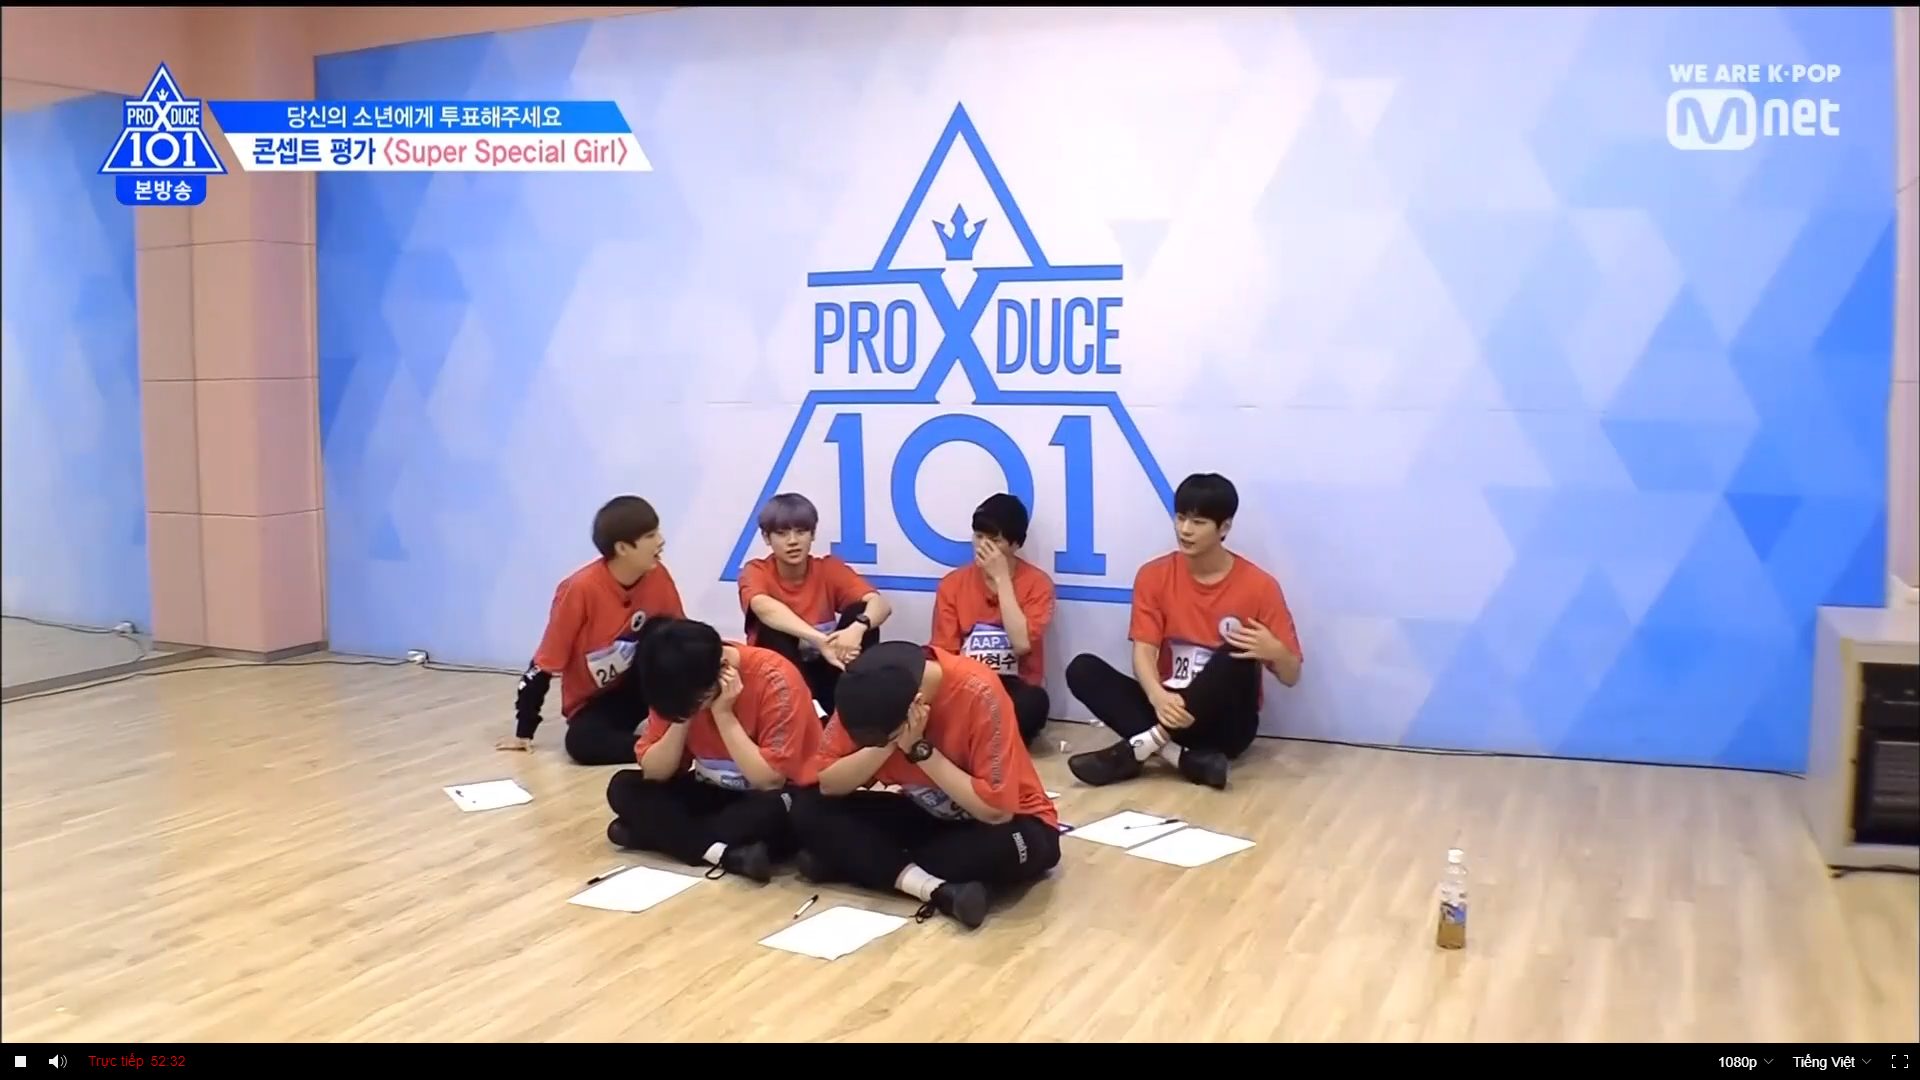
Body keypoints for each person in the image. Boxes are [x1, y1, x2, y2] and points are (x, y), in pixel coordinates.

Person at [790, 641, 1062, 930]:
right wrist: (891, 743)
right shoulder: (866, 690)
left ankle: (863, 862)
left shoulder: (979, 691)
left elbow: (996, 812)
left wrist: (919, 750)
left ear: (916, 703)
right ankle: (935, 889)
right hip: (925, 813)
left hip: (1005, 821)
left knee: (998, 849)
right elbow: (829, 783)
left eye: (883, 736)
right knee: (808, 808)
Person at [1063, 473, 1302, 790]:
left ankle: (1140, 749)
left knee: (1236, 649)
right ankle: (1181, 757)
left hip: (1225, 726)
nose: (1185, 530)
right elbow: (1144, 651)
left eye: (1198, 522)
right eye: (1180, 518)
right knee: (1082, 669)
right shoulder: (1153, 575)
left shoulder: (1260, 586)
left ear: (1224, 527)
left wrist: (1275, 652)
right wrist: (1157, 695)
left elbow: (1291, 675)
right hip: (1169, 710)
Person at [604, 618, 819, 883]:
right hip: (710, 790)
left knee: (775, 814)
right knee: (624, 787)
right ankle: (724, 854)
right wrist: (683, 718)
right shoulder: (674, 688)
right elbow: (655, 772)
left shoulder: (775, 679)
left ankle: (656, 834)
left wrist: (724, 715)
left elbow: (769, 780)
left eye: (697, 701)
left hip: (770, 795)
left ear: (723, 669)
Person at [496, 495, 685, 765]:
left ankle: (682, 735)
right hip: (601, 701)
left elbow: (682, 637)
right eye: (650, 536)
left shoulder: (657, 575)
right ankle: (660, 751)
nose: (661, 541)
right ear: (622, 548)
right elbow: (543, 665)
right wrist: (523, 731)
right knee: (581, 743)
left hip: (645, 684)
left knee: (665, 632)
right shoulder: (579, 589)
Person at [738, 492, 893, 718]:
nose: (793, 541)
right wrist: (819, 640)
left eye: (801, 532)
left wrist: (858, 627)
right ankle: (805, 712)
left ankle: (854, 708)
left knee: (861, 612)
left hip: (830, 668)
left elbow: (881, 605)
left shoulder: (828, 568)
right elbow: (763, 607)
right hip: (782, 676)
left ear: (812, 535)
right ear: (766, 538)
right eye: (782, 533)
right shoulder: (756, 571)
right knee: (770, 627)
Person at [930, 493, 1055, 745]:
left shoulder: (1038, 584)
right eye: (978, 537)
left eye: (995, 541)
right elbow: (944, 654)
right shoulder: (952, 584)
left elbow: (1021, 644)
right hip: (966, 683)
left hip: (1014, 686)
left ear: (1015, 544)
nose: (983, 547)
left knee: (1033, 705)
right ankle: (979, 734)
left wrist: (1001, 580)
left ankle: (981, 736)